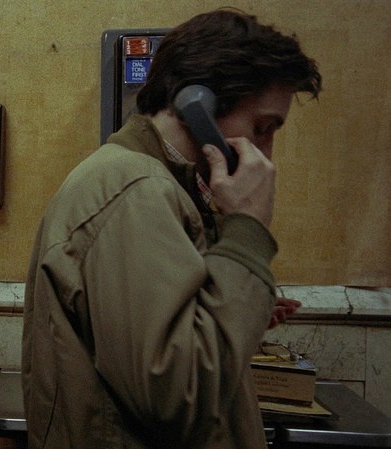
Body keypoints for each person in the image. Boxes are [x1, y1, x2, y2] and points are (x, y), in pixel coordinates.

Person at [21, 9, 321, 449]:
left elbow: (167, 342)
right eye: (261, 128)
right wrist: (248, 230)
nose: (267, 156)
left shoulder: (159, 187)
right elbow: (179, 397)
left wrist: (235, 304)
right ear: (198, 105)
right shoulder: (137, 190)